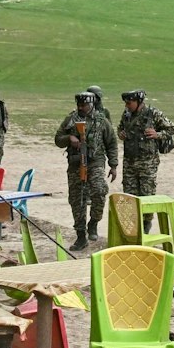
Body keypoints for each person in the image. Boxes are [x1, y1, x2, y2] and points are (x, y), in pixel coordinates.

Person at [55, 91, 117, 250]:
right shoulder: (71, 119)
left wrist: (113, 165)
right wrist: (69, 138)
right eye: (79, 105)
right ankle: (81, 236)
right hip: (76, 164)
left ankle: (94, 222)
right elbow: (58, 139)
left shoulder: (101, 120)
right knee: (77, 200)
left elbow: (111, 143)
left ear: (92, 104)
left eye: (85, 105)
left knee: (99, 191)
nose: (82, 108)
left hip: (95, 162)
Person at [117, 89, 174, 196]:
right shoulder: (126, 115)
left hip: (147, 164)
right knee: (130, 198)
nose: (126, 106)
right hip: (129, 164)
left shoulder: (153, 113)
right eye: (126, 103)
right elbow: (120, 128)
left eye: (129, 103)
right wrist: (121, 134)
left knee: (147, 197)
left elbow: (171, 129)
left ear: (138, 101)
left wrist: (157, 134)